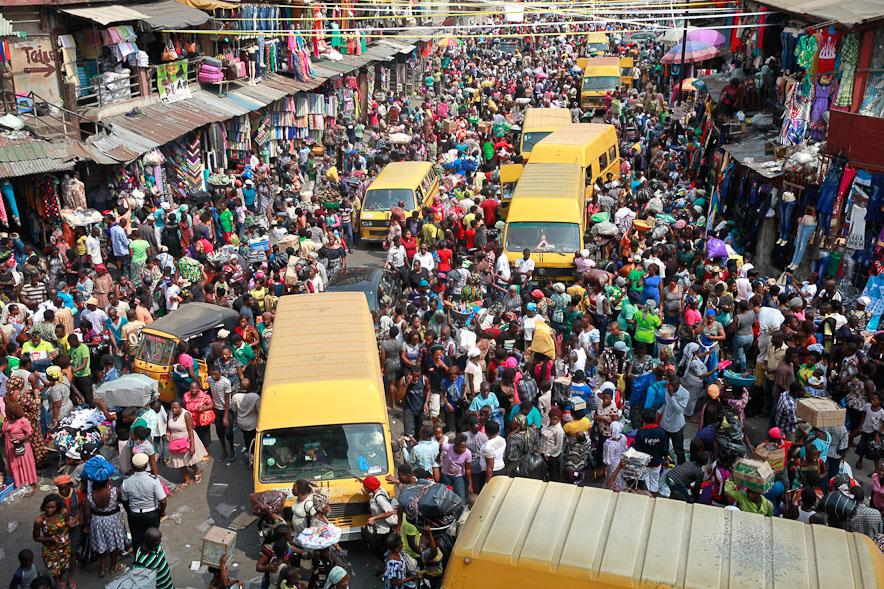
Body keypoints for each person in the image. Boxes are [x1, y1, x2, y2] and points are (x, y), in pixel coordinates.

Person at [121, 452, 167, 554]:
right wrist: (162, 511)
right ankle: (153, 559)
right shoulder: (153, 480)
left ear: (133, 466)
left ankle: (139, 561)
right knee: (152, 539)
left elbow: (124, 500)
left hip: (134, 514)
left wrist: (130, 512)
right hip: (151, 513)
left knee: (137, 539)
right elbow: (163, 500)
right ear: (146, 466)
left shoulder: (126, 482)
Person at [83, 477, 128, 577]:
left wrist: (86, 526)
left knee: (101, 544)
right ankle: (113, 567)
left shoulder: (90, 497)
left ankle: (102, 569)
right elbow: (123, 501)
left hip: (97, 521)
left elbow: (86, 513)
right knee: (114, 545)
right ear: (107, 482)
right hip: (113, 520)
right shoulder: (114, 492)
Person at [167, 397, 208, 488]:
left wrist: (192, 446)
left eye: (176, 408)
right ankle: (187, 480)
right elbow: (168, 427)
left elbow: (190, 431)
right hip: (174, 441)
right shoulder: (170, 414)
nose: (174, 410)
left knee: (188, 461)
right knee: (179, 463)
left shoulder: (186, 415)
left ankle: (196, 470)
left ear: (181, 407)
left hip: (186, 439)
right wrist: (168, 433)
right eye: (172, 407)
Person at [32, 494, 70, 587]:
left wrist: (63, 533)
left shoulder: (63, 512)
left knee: (64, 567)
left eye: (52, 507)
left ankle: (61, 577)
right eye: (47, 507)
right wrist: (51, 539)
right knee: (54, 570)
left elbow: (67, 525)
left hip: (63, 545)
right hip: (49, 549)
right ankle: (56, 582)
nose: (49, 510)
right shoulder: (39, 521)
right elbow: (36, 537)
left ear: (57, 507)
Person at [2, 401, 37, 491]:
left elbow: (30, 433)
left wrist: (19, 440)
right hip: (9, 447)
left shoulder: (23, 421)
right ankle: (19, 483)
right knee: (14, 466)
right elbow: (4, 431)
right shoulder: (6, 420)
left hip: (21, 446)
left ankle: (32, 484)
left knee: (25, 465)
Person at [363, 475, 398, 561]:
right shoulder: (379, 490)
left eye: (365, 487)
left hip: (384, 529)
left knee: (378, 548)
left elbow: (389, 512)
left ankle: (386, 565)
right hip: (380, 527)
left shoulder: (379, 498)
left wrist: (373, 518)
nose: (364, 488)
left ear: (369, 487)